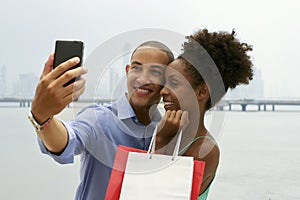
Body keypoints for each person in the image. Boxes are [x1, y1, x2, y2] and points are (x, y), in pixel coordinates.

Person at [28, 41, 174, 199]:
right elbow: (67, 140)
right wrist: (42, 117)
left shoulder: (169, 130)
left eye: (155, 72)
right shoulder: (98, 119)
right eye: (136, 68)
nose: (143, 78)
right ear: (127, 71)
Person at [156, 29, 254, 199]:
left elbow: (161, 193)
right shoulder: (168, 130)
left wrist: (161, 141)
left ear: (202, 92)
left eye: (174, 83)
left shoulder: (205, 149)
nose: (163, 90)